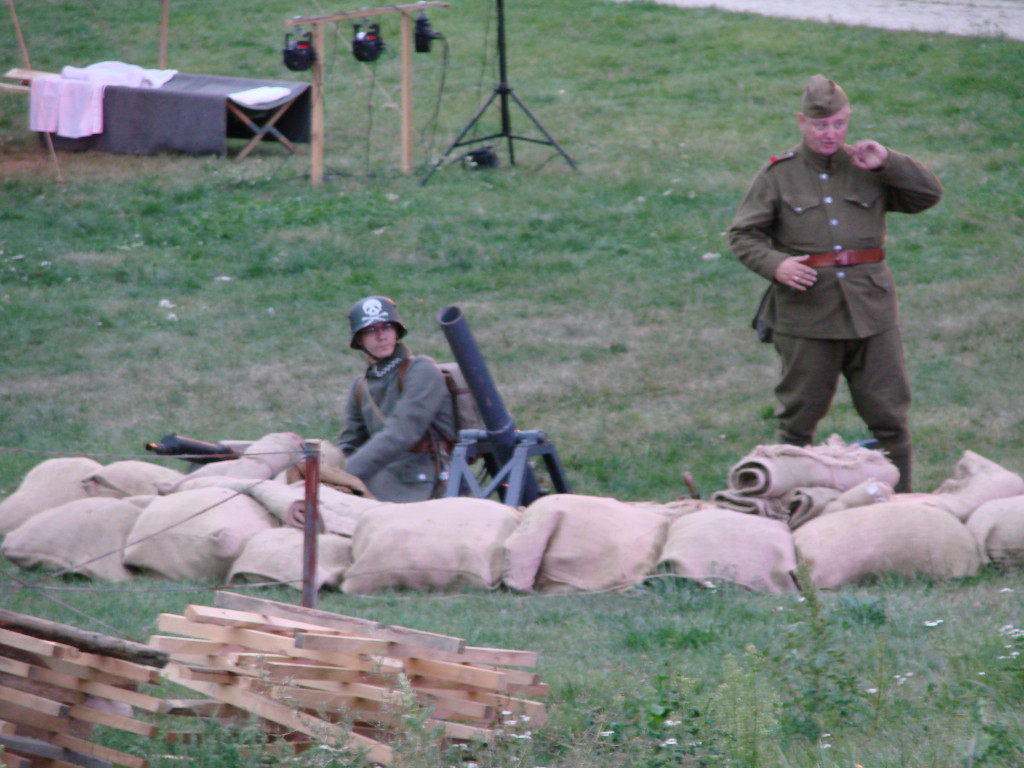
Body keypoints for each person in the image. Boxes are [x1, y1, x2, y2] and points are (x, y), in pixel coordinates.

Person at [728, 74, 943, 493]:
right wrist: (777, 266)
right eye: (820, 125)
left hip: (871, 312)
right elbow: (742, 234)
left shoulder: (867, 165)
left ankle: (903, 507)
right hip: (807, 315)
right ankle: (785, 505)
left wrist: (889, 162)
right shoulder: (777, 175)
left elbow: (927, 196)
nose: (831, 134)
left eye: (839, 124)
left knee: (889, 418)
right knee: (798, 420)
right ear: (802, 122)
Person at [336, 296, 456, 502]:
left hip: (423, 477)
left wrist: (345, 476)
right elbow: (350, 444)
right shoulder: (361, 386)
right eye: (372, 330)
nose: (382, 336)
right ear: (359, 340)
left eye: (387, 327)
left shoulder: (421, 370)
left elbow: (403, 432)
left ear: (397, 331)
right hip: (380, 474)